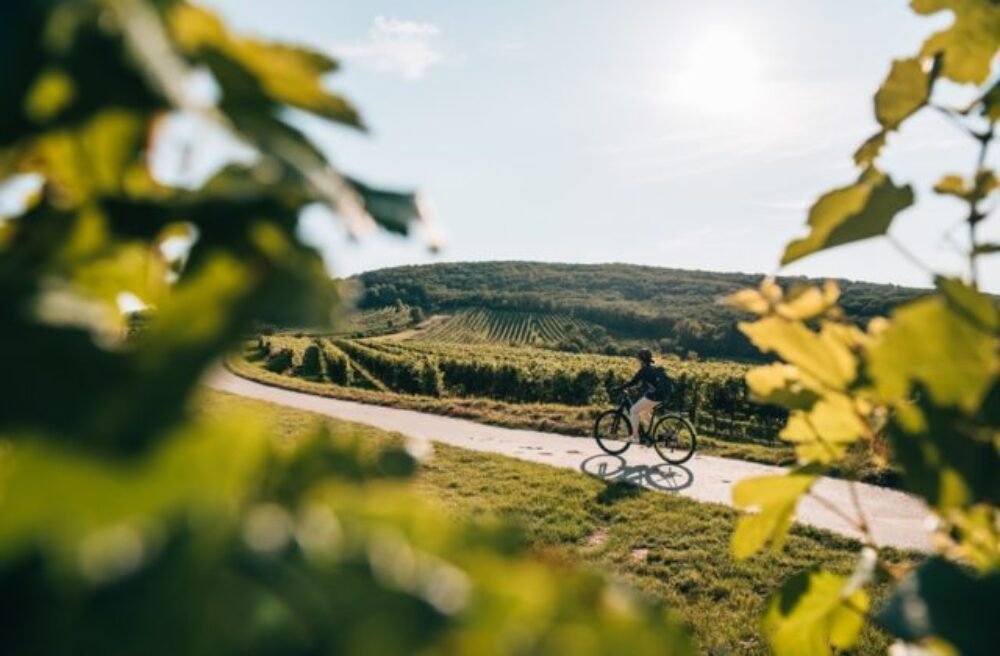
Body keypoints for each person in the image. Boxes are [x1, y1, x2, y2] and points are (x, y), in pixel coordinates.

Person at [614, 348, 671, 441]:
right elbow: (642, 384)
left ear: (642, 359)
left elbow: (633, 382)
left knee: (633, 411)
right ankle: (661, 432)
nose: (638, 360)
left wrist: (618, 388)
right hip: (663, 395)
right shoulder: (654, 368)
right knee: (645, 413)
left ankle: (635, 437)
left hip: (654, 396)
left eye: (639, 359)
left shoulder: (644, 370)